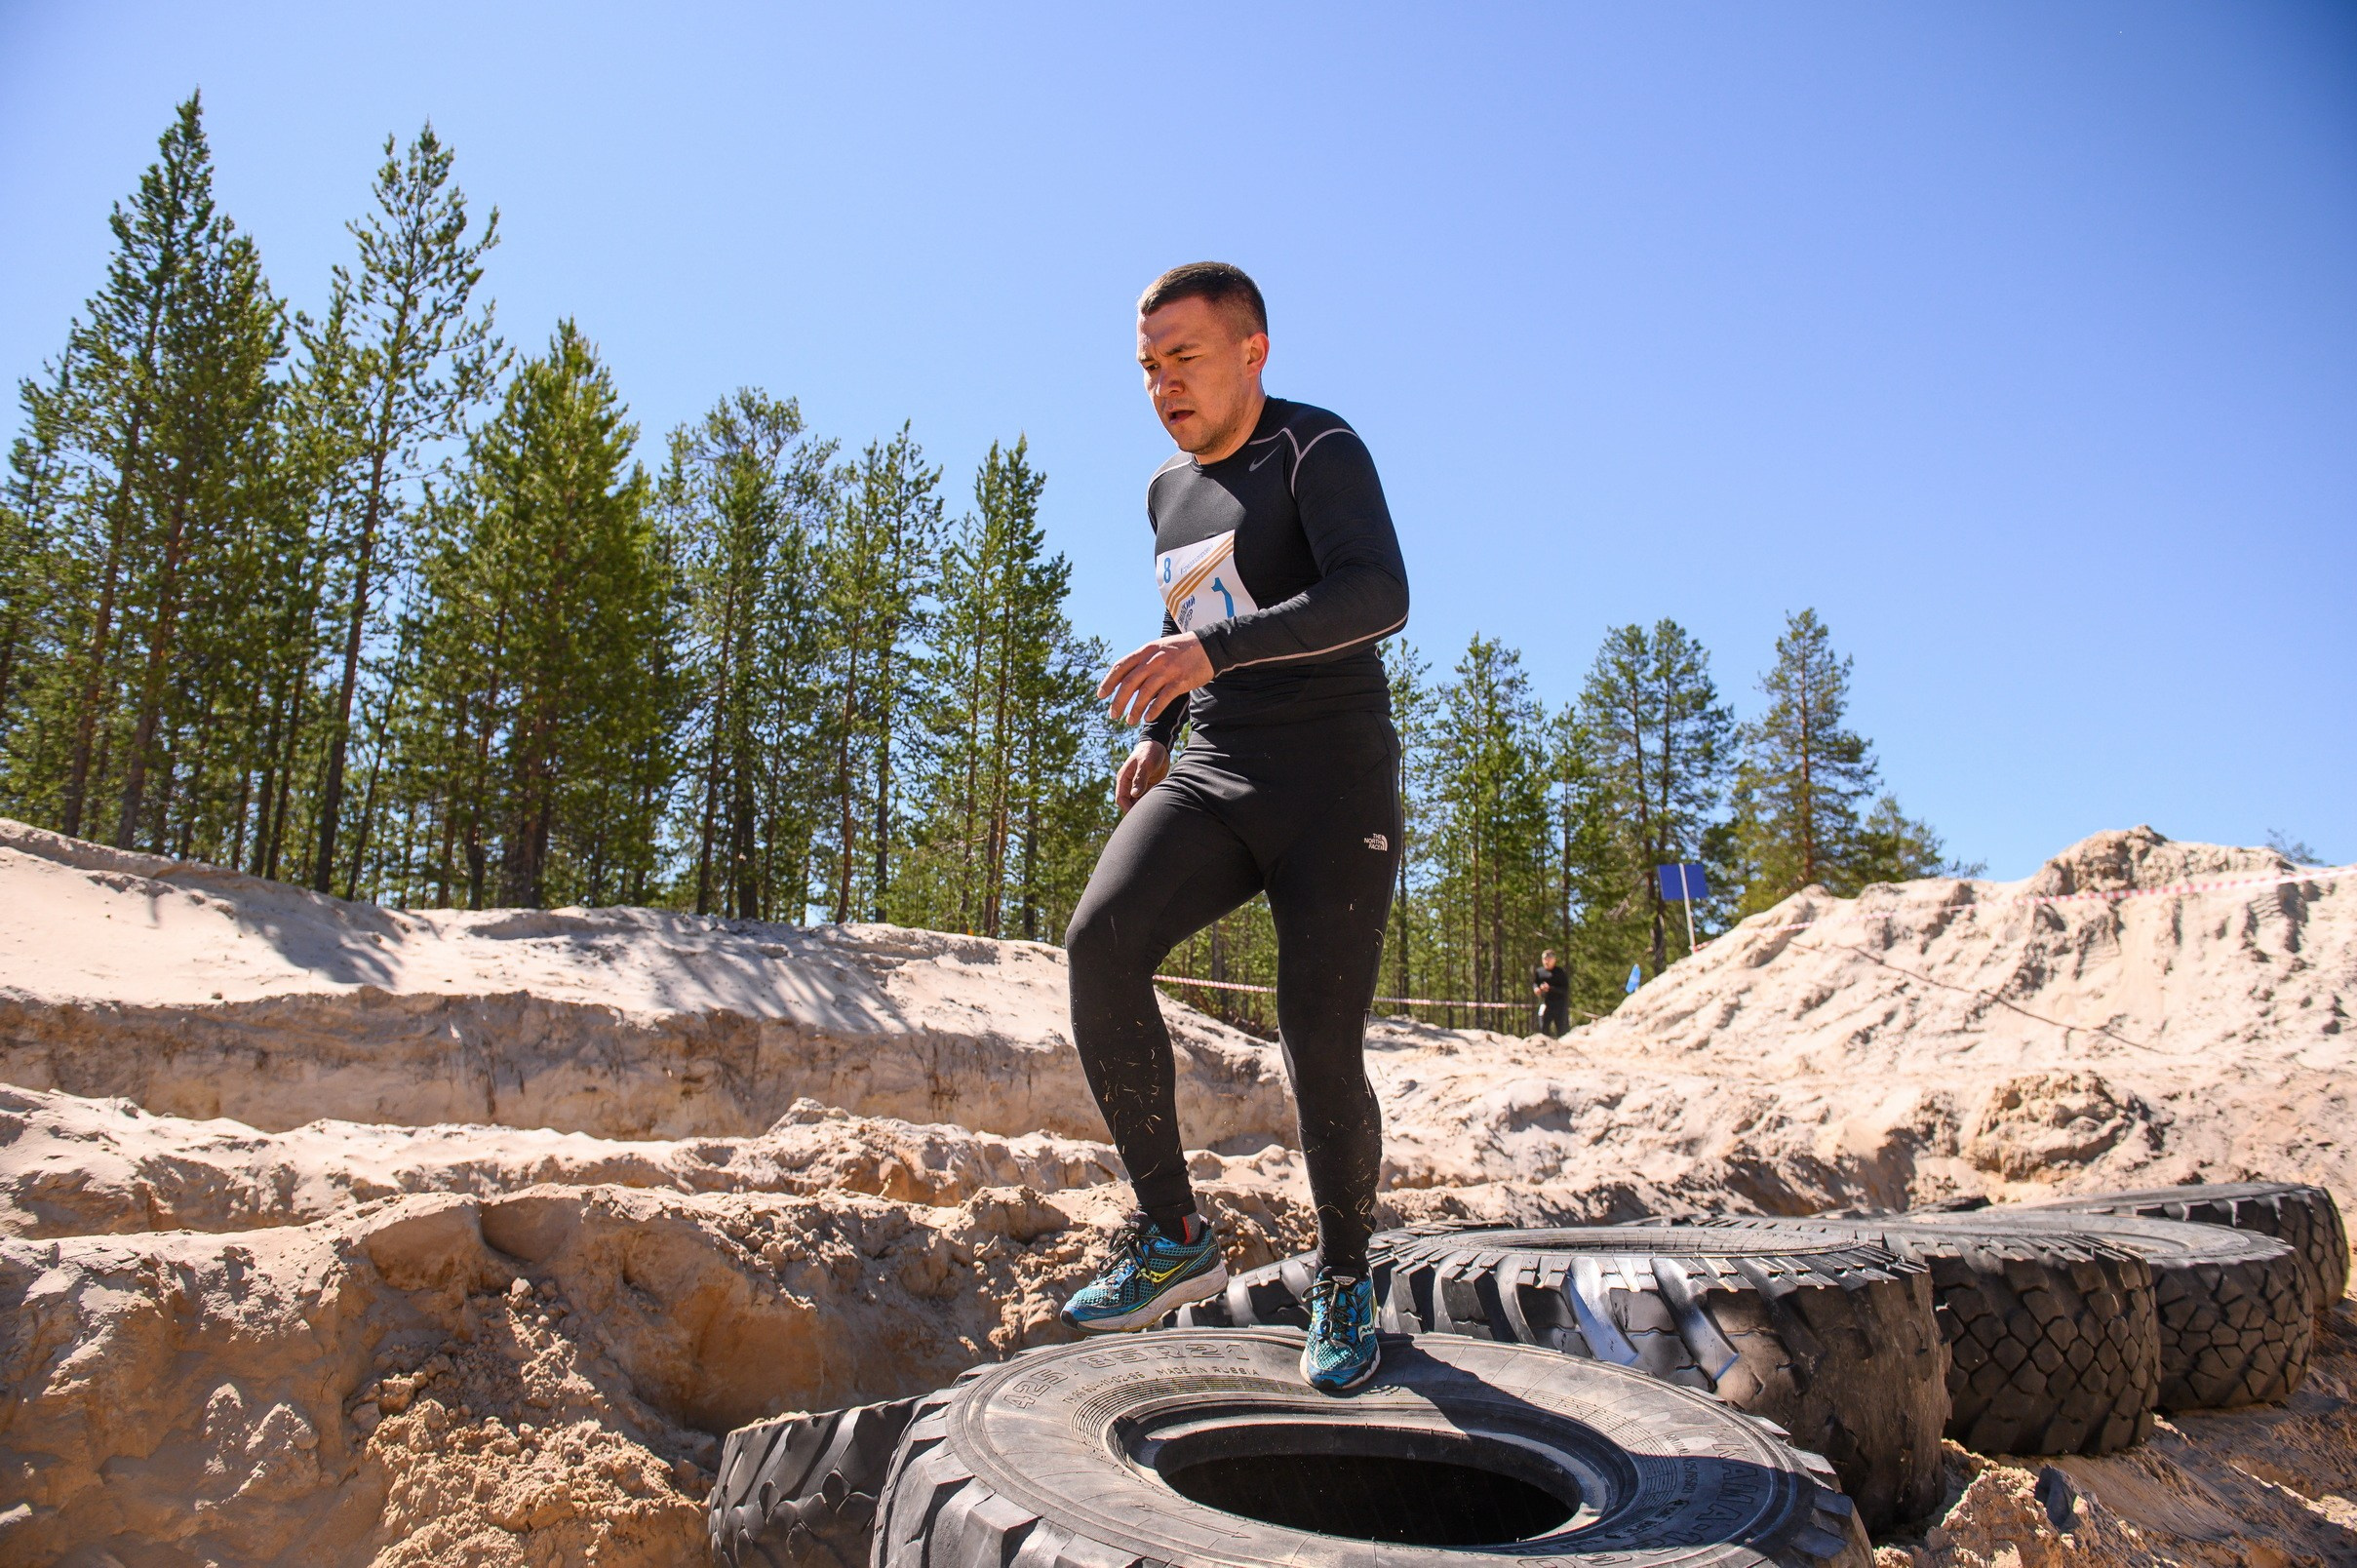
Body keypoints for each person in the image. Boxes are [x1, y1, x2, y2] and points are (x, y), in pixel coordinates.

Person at [1057, 261, 1409, 1394]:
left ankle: (1346, 1275)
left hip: (1331, 787)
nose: (1163, 383)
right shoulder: (1167, 492)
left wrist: (1207, 659)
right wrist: (1162, 724)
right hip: (1216, 766)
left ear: (1252, 352)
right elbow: (1193, 613)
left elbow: (1377, 595)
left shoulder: (1317, 450)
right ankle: (1173, 1234)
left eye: (1185, 357)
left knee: (1315, 1035)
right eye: (1148, 364)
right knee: (1099, 944)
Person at [1532, 949, 1571, 1039]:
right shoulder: (1539, 972)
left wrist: (1550, 988)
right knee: (1544, 1028)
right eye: (1544, 959)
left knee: (1562, 1031)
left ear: (1554, 960)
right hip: (1546, 1004)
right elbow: (1535, 983)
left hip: (1559, 1005)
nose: (1546, 961)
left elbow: (1565, 989)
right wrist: (1536, 989)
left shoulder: (1560, 972)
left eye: (1549, 959)